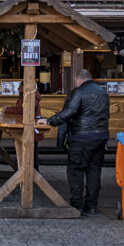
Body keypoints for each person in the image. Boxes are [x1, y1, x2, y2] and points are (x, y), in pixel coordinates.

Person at [39, 69, 109, 215]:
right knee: (94, 171)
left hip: (81, 137)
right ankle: (91, 206)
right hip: (100, 137)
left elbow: (69, 112)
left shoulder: (79, 92)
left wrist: (50, 121)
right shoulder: (103, 93)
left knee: (76, 170)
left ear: (78, 80)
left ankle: (77, 205)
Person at [5, 83, 44, 169]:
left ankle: (31, 174)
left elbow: (22, 110)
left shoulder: (30, 97)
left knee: (31, 153)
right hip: (30, 128)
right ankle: (29, 172)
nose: (18, 88)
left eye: (20, 86)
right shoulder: (26, 96)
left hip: (32, 129)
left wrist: (7, 109)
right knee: (31, 152)